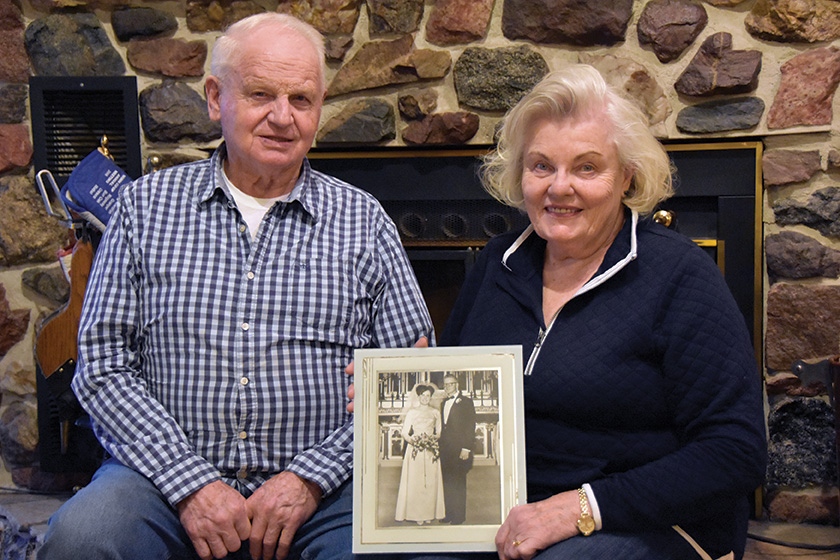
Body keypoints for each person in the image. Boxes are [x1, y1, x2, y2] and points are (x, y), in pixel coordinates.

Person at [38, 12, 432, 560]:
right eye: (261, 94)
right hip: (160, 480)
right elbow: (102, 364)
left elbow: (415, 381)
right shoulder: (145, 208)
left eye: (301, 99)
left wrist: (309, 479)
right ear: (216, 98)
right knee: (82, 539)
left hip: (329, 491)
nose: (282, 117)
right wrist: (190, 483)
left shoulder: (363, 221)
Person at [348, 64, 766, 560]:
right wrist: (397, 395)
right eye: (541, 165)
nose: (559, 187)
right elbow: (464, 401)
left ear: (626, 175)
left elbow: (736, 452)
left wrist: (581, 507)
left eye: (587, 167)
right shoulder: (495, 266)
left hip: (648, 521)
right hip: (507, 518)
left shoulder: (679, 275)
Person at [394, 384, 446, 525]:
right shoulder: (412, 412)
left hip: (430, 450)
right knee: (416, 481)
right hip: (415, 450)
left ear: (431, 397)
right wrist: (415, 441)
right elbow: (405, 432)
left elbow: (439, 432)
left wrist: (430, 440)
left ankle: (429, 513)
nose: (425, 398)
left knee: (430, 481)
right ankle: (416, 515)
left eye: (428, 395)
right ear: (418, 397)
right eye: (422, 395)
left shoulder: (435, 412)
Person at [438, 374, 476, 525]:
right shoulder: (443, 403)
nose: (448, 387)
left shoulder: (466, 402)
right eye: (446, 385)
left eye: (451, 384)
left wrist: (466, 448)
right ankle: (449, 514)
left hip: (460, 449)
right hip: (445, 450)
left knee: (458, 482)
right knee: (447, 481)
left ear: (457, 384)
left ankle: (459, 516)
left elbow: (470, 426)